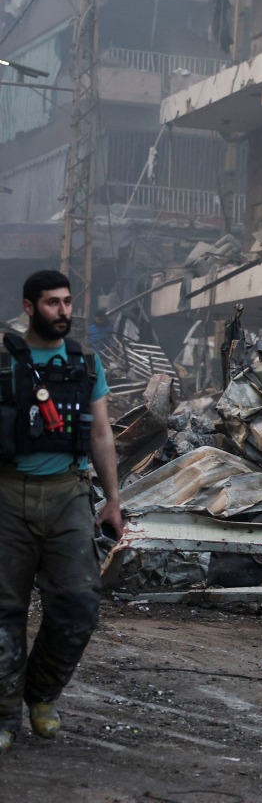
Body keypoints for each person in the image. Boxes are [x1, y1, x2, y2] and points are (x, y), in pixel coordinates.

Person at [0, 270, 120, 754]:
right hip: (8, 495)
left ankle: (42, 696)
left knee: (77, 607)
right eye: (53, 303)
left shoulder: (86, 362)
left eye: (68, 302)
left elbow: (101, 435)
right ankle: (5, 714)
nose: (64, 311)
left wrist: (113, 500)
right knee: (3, 614)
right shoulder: (3, 361)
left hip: (69, 493)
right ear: (30, 308)